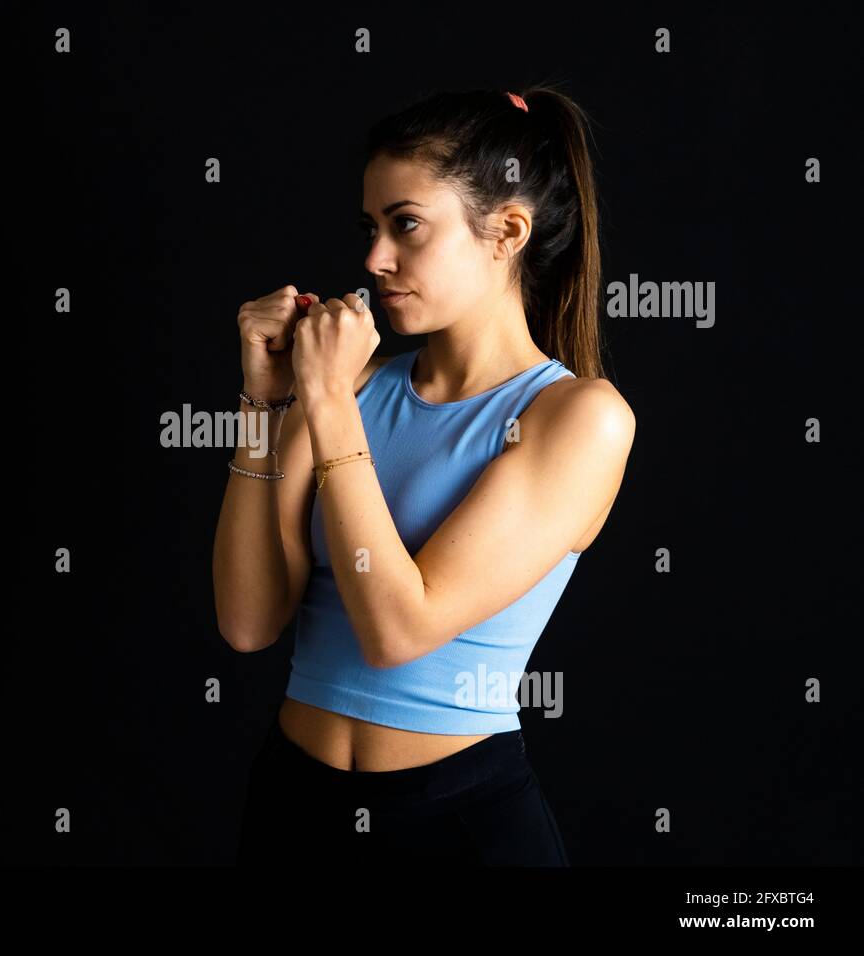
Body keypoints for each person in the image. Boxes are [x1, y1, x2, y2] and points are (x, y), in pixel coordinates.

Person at [212, 85, 636, 865]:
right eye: (370, 228)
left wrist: (329, 404)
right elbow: (248, 622)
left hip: (458, 828)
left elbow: (399, 631)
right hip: (291, 808)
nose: (374, 259)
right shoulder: (351, 388)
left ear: (507, 231)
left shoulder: (579, 417)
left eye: (405, 225)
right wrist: (261, 403)